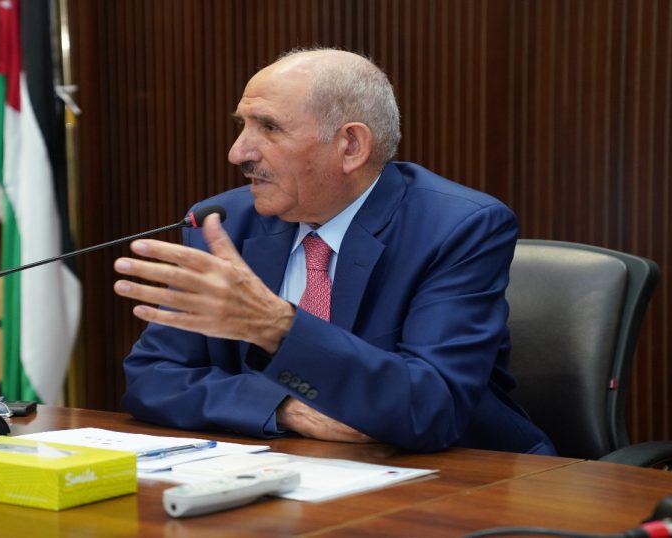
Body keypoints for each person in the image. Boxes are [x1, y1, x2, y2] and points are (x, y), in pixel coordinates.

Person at [112, 47, 555, 454]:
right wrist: (284, 407)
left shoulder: (457, 228)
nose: (237, 152)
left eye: (268, 128)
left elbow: (431, 406)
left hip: (465, 475)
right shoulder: (223, 224)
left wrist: (276, 326)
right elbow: (152, 378)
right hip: (290, 469)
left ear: (351, 146)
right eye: (242, 126)